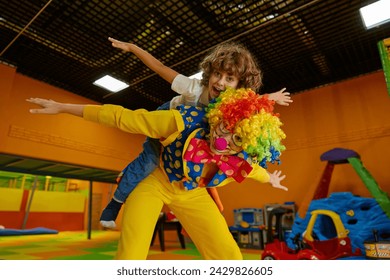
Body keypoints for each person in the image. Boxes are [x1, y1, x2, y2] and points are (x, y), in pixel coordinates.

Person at [27, 86, 287, 260]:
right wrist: (63, 107)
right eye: (225, 125)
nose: (223, 139)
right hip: (156, 182)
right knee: (132, 253)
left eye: (238, 138)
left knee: (229, 255)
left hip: (193, 195)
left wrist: (272, 179)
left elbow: (258, 173)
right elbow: (123, 117)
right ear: (220, 114)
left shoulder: (242, 161)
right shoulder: (180, 122)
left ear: (249, 145)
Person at [98, 37, 293, 228]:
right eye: (217, 74)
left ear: (238, 86)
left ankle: (208, 198)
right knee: (149, 162)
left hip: (191, 133)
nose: (220, 82)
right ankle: (114, 204)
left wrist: (270, 99)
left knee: (213, 158)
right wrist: (133, 48)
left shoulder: (232, 103)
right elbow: (160, 68)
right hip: (170, 122)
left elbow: (250, 104)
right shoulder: (194, 89)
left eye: (230, 78)